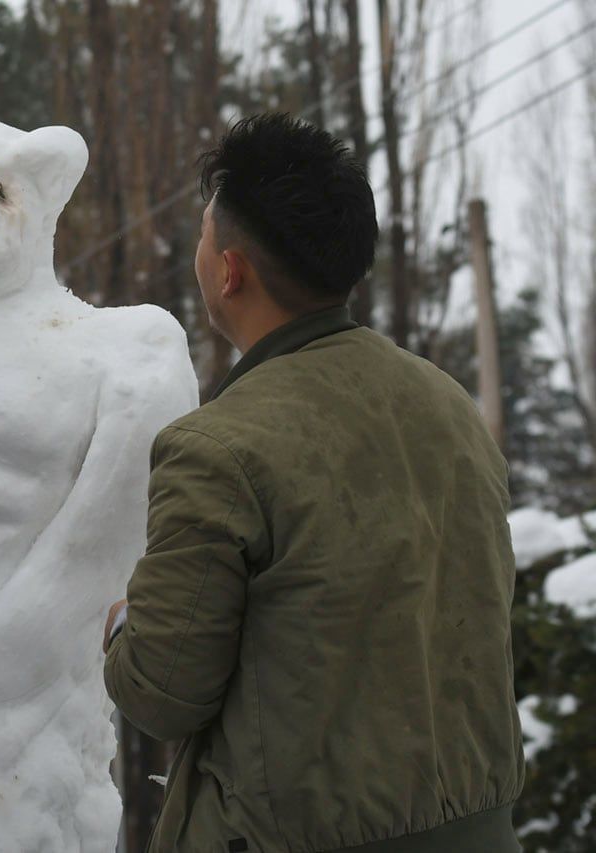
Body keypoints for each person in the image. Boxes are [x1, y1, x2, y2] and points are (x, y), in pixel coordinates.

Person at [102, 113, 524, 853]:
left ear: (229, 270)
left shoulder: (216, 447)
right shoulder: (450, 405)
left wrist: (120, 628)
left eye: (205, 239)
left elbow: (163, 690)